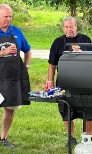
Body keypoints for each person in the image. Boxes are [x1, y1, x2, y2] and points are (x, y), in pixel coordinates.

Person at [48, 16, 92, 146]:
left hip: (85, 83)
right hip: (64, 82)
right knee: (65, 110)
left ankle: (88, 138)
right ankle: (71, 138)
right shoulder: (57, 42)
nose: (69, 29)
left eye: (71, 26)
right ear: (63, 28)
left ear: (76, 26)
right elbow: (52, 64)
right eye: (66, 27)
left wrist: (82, 53)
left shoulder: (86, 40)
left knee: (88, 110)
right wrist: (50, 81)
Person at [0, 4, 32, 148]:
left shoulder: (17, 32)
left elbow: (28, 50)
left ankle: (3, 138)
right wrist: (3, 52)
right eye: (5, 16)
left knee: (10, 108)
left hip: (11, 78)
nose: (9, 19)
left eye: (10, 16)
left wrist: (25, 66)